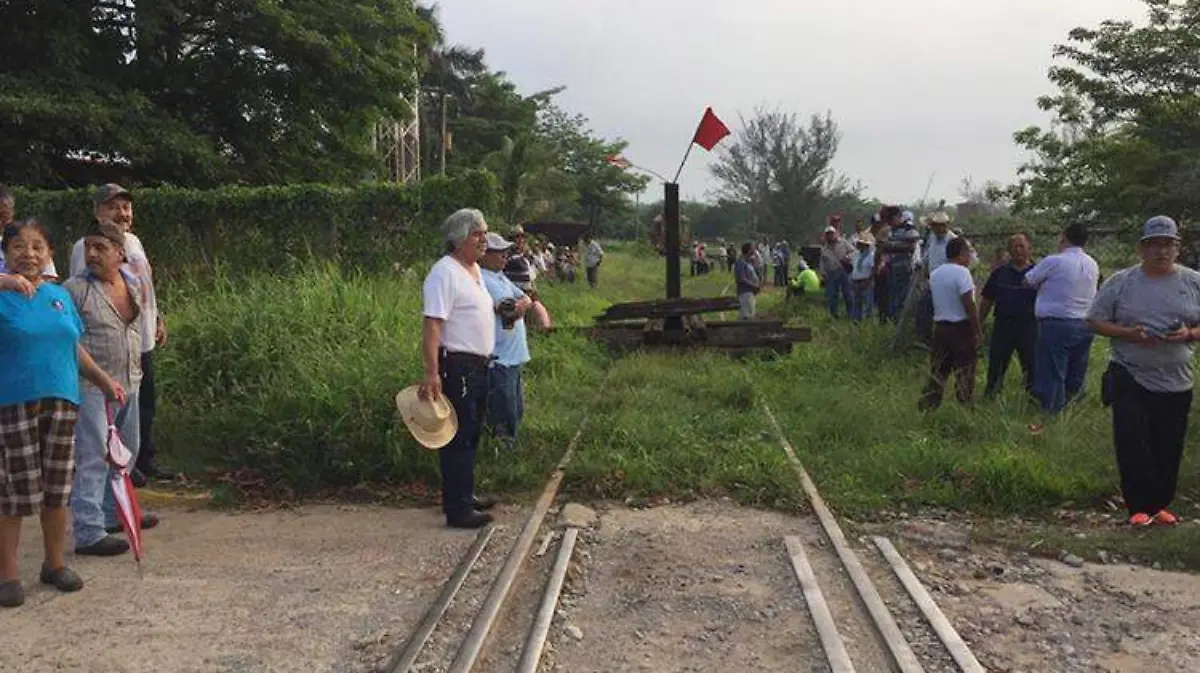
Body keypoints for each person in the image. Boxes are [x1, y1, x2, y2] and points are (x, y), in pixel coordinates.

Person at [0, 219, 125, 607]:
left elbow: (74, 347)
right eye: (19, 246)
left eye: (38, 246)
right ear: (5, 253)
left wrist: (104, 381)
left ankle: (54, 565)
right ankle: (8, 575)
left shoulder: (59, 297)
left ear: (50, 253)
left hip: (62, 401)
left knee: (57, 489)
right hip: (12, 403)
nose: (29, 254)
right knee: (14, 493)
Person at [1087, 216, 1200, 527]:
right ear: (1141, 249)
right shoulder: (1121, 282)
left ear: (1178, 248)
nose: (1161, 251)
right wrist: (1129, 333)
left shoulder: (1193, 282)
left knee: (1169, 443)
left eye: (1168, 244)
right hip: (1130, 372)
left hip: (1176, 377)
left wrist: (1189, 334)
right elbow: (1094, 320)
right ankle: (1137, 507)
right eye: (1154, 245)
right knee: (1133, 441)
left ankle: (1160, 504)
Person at [64, 220, 159, 556]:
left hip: (129, 381)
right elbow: (67, 340)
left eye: (100, 247)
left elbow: (137, 327)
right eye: (88, 246)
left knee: (126, 451)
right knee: (93, 456)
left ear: (120, 253)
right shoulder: (74, 290)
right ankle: (88, 531)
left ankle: (111, 512)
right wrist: (99, 379)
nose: (91, 253)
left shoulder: (130, 283)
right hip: (92, 386)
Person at [71, 185, 171, 482]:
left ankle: (141, 461)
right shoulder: (87, 247)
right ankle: (119, 478)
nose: (122, 213)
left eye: (126, 207)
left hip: (141, 338)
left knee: (143, 406)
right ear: (97, 212)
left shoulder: (133, 242)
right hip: (107, 346)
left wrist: (157, 316)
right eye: (114, 207)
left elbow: (142, 286)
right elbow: (85, 294)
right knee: (111, 415)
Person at [420, 208, 498, 529]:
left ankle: (464, 494)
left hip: (480, 366)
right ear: (459, 239)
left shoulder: (474, 271)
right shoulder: (445, 273)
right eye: (477, 234)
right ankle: (458, 509)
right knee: (459, 437)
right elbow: (433, 325)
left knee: (472, 434)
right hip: (459, 366)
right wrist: (432, 372)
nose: (484, 240)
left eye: (484, 233)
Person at [1024, 222, 1100, 414]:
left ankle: (1052, 412)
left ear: (1064, 238)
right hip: (1085, 323)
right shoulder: (1092, 263)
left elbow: (1028, 280)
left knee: (1052, 371)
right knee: (1076, 370)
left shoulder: (1054, 261)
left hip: (1056, 324)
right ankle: (1072, 409)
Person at [480, 233, 532, 452]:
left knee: (516, 408)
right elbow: (504, 308)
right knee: (503, 410)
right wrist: (518, 307)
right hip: (499, 358)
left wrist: (522, 305)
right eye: (498, 252)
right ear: (484, 255)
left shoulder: (500, 277)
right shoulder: (481, 279)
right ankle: (501, 453)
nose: (504, 256)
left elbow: (527, 297)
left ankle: (509, 449)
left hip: (513, 356)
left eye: (505, 252)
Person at [919, 237, 981, 411]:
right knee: (965, 372)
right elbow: (968, 303)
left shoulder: (936, 274)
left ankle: (928, 407)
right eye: (968, 251)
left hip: (940, 328)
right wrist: (977, 330)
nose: (970, 255)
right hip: (961, 328)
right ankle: (964, 408)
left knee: (938, 371)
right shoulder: (963, 273)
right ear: (961, 253)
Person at [980, 233, 1038, 398]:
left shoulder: (1038, 273)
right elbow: (987, 299)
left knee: (1032, 366)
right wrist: (979, 324)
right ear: (1008, 251)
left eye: (1022, 246)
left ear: (1029, 249)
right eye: (1014, 246)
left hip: (1030, 326)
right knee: (997, 364)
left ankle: (1032, 400)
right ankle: (991, 396)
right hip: (1003, 325)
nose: (1018, 250)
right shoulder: (1000, 273)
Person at [0, 186, 58, 280]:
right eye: (18, 247)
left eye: (4, 216)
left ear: (12, 212)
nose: (29, 254)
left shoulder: (33, 240)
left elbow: (48, 280)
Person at [883, 209, 921, 318]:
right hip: (892, 267)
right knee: (894, 296)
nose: (890, 222)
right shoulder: (892, 230)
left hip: (905, 267)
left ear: (898, 217)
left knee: (904, 296)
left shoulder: (908, 227)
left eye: (891, 219)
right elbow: (884, 246)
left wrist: (893, 246)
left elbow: (911, 246)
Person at [819, 226, 854, 319]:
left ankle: (851, 314)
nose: (830, 236)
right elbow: (822, 262)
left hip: (843, 271)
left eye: (831, 233)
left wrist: (848, 257)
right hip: (831, 273)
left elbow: (853, 251)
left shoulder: (843, 242)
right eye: (828, 234)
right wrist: (823, 274)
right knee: (832, 295)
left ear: (835, 234)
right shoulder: (825, 248)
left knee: (848, 293)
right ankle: (833, 315)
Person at [849, 232, 876, 323]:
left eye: (863, 244)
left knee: (868, 303)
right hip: (856, 281)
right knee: (856, 302)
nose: (861, 246)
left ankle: (868, 322)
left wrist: (869, 280)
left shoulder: (871, 255)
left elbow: (873, 269)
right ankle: (856, 321)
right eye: (860, 244)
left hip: (866, 281)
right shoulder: (857, 255)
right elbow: (854, 267)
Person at [734, 242, 761, 320]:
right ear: (749, 250)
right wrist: (755, 286)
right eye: (753, 248)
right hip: (745, 293)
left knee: (750, 315)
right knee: (746, 317)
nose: (754, 250)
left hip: (750, 293)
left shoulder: (747, 262)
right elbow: (742, 279)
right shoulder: (740, 262)